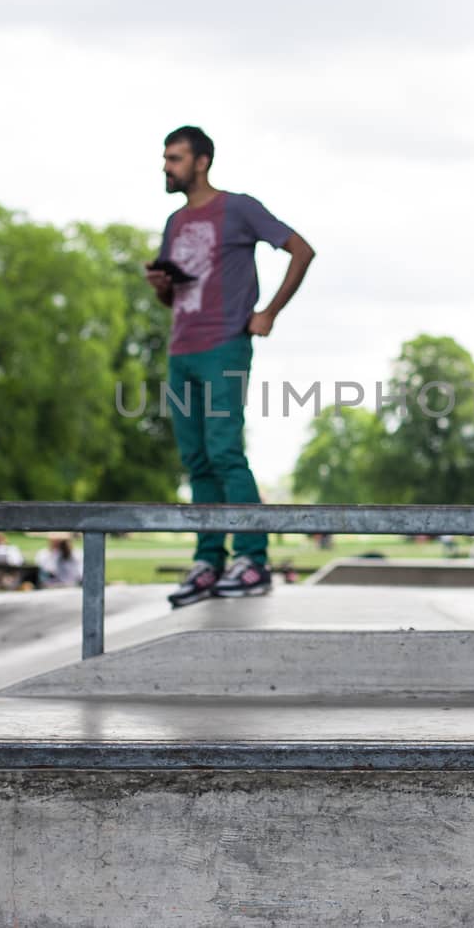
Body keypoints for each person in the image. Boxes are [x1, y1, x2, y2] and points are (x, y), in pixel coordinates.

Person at [146, 125, 316, 607]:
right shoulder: (175, 223)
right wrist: (160, 286)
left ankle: (252, 558)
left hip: (225, 345)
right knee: (195, 458)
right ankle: (209, 559)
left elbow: (301, 249)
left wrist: (269, 313)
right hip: (182, 351)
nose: (166, 166)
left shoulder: (238, 208)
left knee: (223, 451)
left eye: (175, 158)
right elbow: (172, 298)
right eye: (165, 158)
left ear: (201, 162)